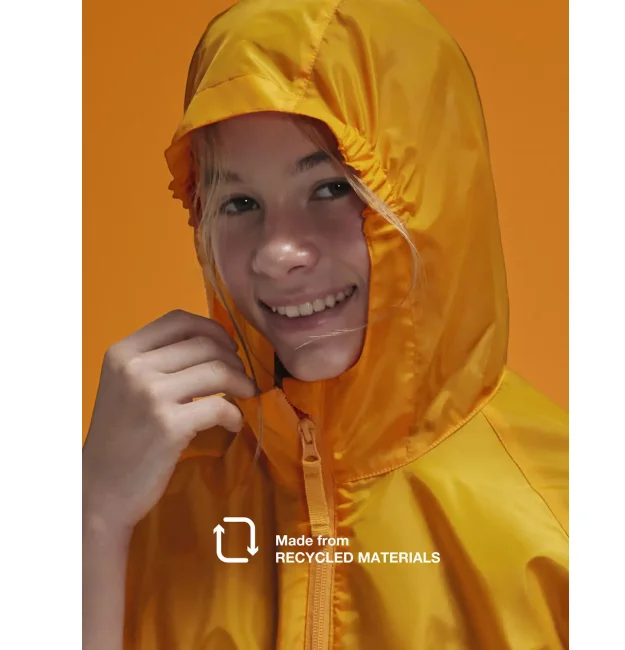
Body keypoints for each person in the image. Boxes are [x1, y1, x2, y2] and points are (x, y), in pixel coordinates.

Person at [82, 0, 569, 648]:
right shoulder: (145, 493)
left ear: (434, 199)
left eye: (333, 188)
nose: (277, 252)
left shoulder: (568, 528)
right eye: (240, 202)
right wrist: (91, 519)